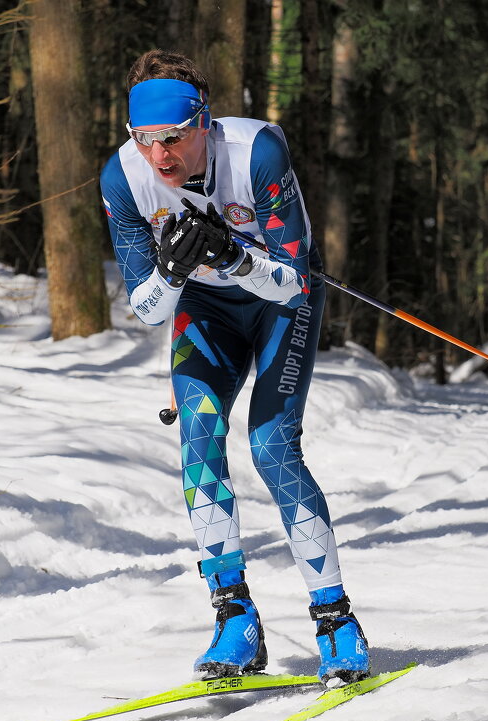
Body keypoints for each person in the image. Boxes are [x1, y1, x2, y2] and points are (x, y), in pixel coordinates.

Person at [99, 50, 369, 686]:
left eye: (173, 137)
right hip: (205, 309)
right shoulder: (123, 176)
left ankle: (336, 622)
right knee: (199, 439)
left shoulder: (256, 154)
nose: (159, 156)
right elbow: (146, 310)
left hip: (279, 304)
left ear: (203, 121)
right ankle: (234, 619)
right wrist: (172, 271)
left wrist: (234, 258)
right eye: (144, 138)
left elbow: (294, 281)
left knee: (272, 446)